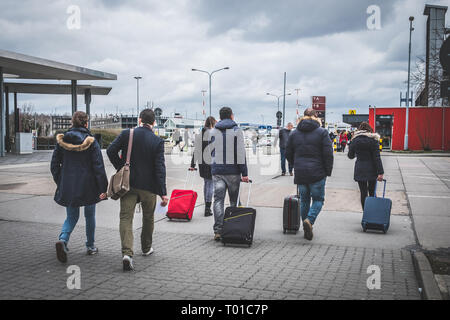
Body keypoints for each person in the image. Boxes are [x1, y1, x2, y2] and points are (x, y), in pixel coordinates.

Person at [107, 109, 169, 271]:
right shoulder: (157, 141)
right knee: (148, 218)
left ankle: (127, 253)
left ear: (139, 119)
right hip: (149, 187)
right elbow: (160, 168)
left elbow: (110, 150)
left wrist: (121, 167)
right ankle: (146, 248)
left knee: (126, 218)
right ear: (154, 122)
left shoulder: (128, 133)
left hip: (128, 185)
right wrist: (163, 191)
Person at [51, 111, 108, 263]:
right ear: (85, 123)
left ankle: (63, 239)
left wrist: (61, 181)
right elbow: (98, 167)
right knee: (90, 215)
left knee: (71, 216)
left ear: (72, 123)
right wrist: (103, 188)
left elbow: (54, 165)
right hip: (89, 186)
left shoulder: (62, 141)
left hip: (69, 185)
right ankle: (90, 246)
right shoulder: (91, 141)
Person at [286, 108, 333, 241]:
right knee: (318, 200)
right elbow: (328, 154)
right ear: (315, 117)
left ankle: (305, 224)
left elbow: (288, 152)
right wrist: (327, 171)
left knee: (305, 200)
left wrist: (295, 164)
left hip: (301, 172)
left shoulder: (294, 133)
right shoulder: (322, 132)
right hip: (317, 172)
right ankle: (309, 221)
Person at [210, 107, 249, 241]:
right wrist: (244, 172)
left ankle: (218, 231)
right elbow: (240, 153)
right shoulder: (236, 131)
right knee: (234, 201)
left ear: (220, 117)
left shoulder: (213, 131)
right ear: (232, 116)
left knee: (218, 200)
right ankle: (232, 229)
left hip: (217, 171)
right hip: (233, 172)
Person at [347, 122, 384, 211]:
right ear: (369, 130)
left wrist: (355, 150)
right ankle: (373, 213)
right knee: (372, 192)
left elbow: (350, 156)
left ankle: (366, 213)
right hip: (372, 169)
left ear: (359, 130)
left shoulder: (355, 141)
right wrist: (380, 172)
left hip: (360, 168)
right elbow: (377, 158)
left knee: (363, 192)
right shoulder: (373, 140)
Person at [190, 116, 217, 217]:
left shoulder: (200, 134)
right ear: (213, 124)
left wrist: (192, 164)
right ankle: (207, 208)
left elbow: (196, 150)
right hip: (211, 162)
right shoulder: (213, 134)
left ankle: (207, 205)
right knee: (210, 185)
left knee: (206, 184)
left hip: (202, 163)